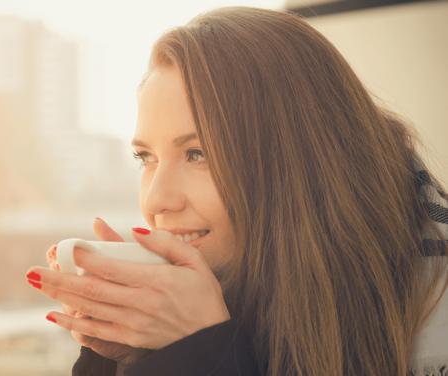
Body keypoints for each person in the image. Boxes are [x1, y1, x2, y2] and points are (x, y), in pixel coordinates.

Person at [25, 6, 448, 376]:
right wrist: (138, 358)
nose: (155, 201)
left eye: (196, 153)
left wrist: (203, 354)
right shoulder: (240, 294)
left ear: (298, 162)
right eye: (145, 157)